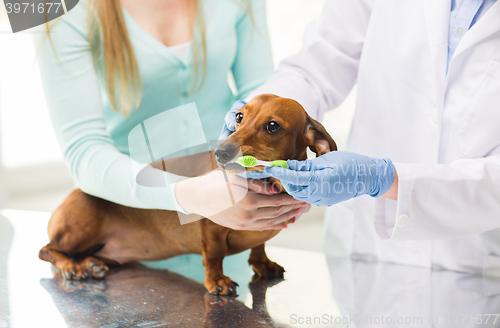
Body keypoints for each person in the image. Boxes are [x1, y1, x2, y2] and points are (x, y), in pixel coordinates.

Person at [221, 0, 500, 275]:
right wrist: (255, 115)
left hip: (474, 260)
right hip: (363, 249)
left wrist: (380, 178)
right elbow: (317, 65)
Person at [35, 0, 309, 231]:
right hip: (127, 226)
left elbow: (260, 99)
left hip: (232, 222)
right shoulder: (51, 8)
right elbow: (83, 151)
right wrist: (189, 195)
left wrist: (283, 171)